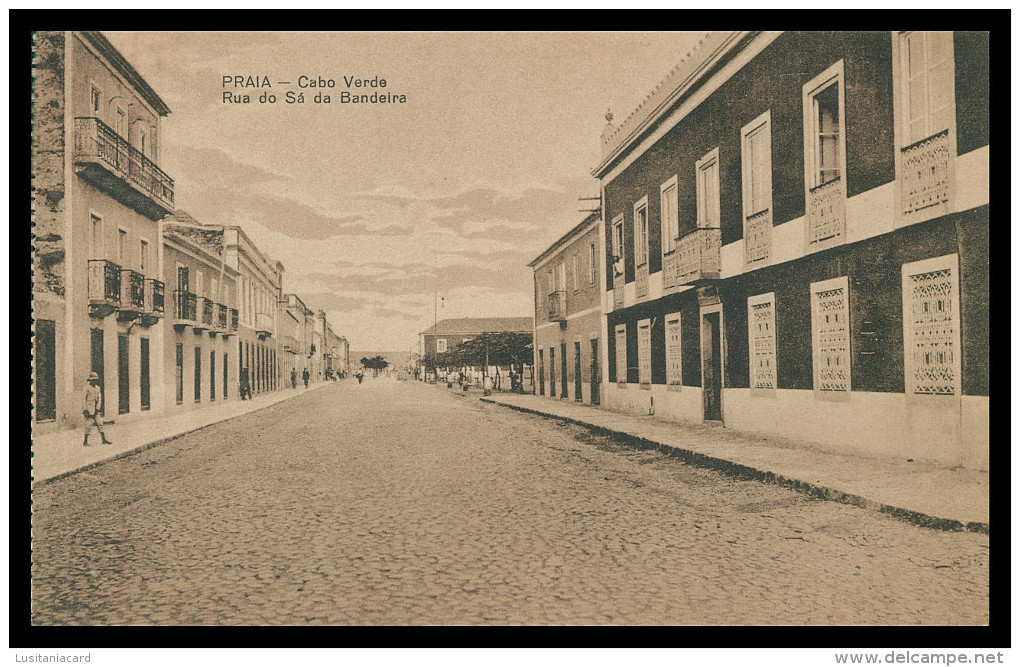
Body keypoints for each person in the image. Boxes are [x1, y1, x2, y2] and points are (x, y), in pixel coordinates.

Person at [82, 372, 112, 446]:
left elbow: (99, 399)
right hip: (89, 408)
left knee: (100, 423)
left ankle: (104, 439)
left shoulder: (98, 388)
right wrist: (85, 410)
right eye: (93, 380)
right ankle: (85, 441)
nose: (94, 381)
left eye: (95, 380)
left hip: (96, 409)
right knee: (88, 425)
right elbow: (83, 399)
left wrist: (97, 408)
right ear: (90, 380)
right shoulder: (86, 388)